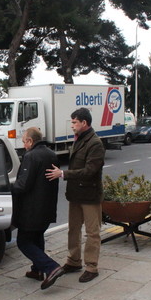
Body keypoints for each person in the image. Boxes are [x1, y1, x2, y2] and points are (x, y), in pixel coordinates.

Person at [46, 107, 105, 283]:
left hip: (90, 195)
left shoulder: (95, 143)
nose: (72, 125)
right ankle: (73, 261)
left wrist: (63, 174)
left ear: (84, 123)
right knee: (73, 229)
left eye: (74, 122)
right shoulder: (79, 139)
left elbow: (90, 171)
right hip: (76, 195)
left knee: (92, 232)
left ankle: (91, 267)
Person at [11, 127, 63, 290]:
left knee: (24, 242)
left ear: (30, 141)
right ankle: (37, 270)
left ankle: (51, 267)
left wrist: (5, 187)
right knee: (37, 237)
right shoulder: (51, 154)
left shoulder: (31, 156)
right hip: (47, 208)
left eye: (24, 141)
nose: (24, 145)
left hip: (31, 210)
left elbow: (23, 185)